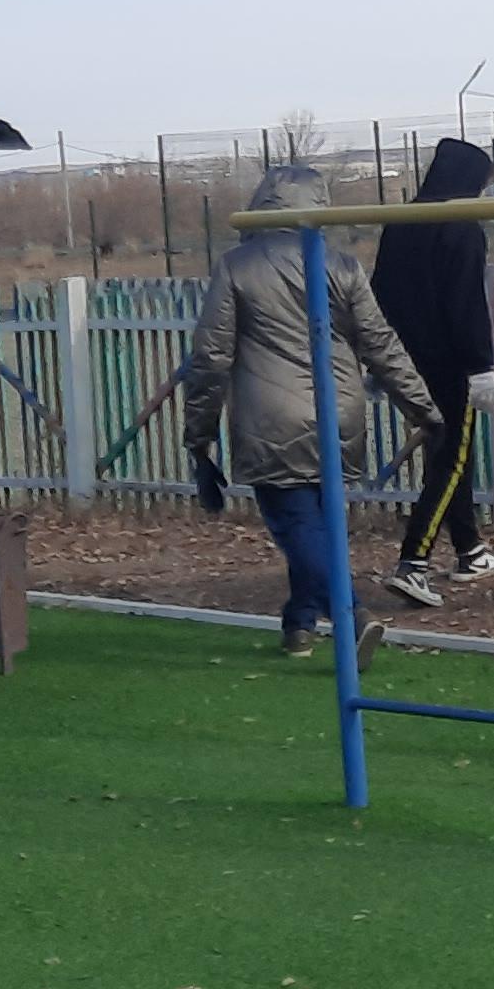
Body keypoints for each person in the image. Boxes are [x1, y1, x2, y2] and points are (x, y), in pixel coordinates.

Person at [181, 164, 442, 656]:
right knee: (318, 524)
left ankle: (351, 613)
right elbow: (380, 345)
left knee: (298, 525)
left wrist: (199, 437)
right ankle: (299, 623)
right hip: (339, 410)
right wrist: (423, 409)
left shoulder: (237, 266)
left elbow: (211, 357)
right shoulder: (342, 266)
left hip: (270, 417)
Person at [370, 137, 494, 608]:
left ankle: (469, 549)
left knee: (448, 454)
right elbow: (465, 301)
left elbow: (379, 293)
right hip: (449, 362)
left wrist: (379, 357)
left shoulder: (401, 224)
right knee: (451, 457)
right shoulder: (461, 227)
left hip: (406, 359)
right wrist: (479, 364)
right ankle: (413, 562)